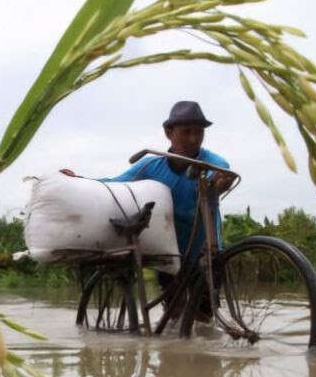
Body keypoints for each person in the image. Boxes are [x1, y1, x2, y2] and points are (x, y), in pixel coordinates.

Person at [61, 100, 232, 266]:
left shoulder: (212, 163)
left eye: (199, 132)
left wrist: (218, 185)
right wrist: (79, 179)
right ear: (168, 132)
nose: (194, 139)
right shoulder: (151, 166)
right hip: (168, 250)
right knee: (172, 294)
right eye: (186, 132)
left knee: (209, 293)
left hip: (206, 248)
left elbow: (219, 175)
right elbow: (115, 184)